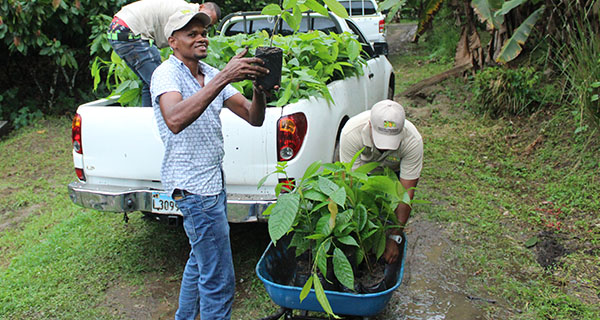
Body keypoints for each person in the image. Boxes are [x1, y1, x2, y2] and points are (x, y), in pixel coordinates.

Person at [150, 8, 273, 320]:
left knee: (200, 262)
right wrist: (224, 77)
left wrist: (259, 91)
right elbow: (175, 119)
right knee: (218, 277)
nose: (200, 38)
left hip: (213, 182)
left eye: (203, 32)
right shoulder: (167, 74)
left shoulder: (209, 72)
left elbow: (253, 117)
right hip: (193, 189)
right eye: (191, 34)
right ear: (172, 41)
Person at [339, 99, 423, 264]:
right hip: (363, 170)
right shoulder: (351, 133)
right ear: (370, 125)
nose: (385, 147)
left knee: (389, 213)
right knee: (366, 208)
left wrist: (394, 237)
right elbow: (351, 186)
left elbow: (406, 194)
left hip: (393, 170)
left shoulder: (413, 141)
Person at [108, 0, 221, 107]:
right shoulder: (185, 12)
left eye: (208, 26)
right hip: (129, 29)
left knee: (149, 82)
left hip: (117, 28)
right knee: (159, 81)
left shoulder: (181, 7)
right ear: (201, 7)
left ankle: (149, 117)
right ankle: (164, 119)